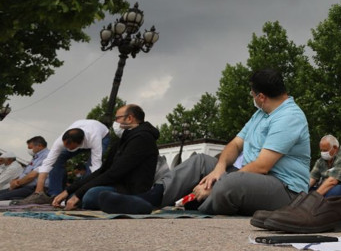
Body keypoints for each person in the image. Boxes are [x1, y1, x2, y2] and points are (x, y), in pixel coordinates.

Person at [97, 68, 311, 216]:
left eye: (253, 94)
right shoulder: (261, 114)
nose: (252, 97)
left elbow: (263, 166)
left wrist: (218, 184)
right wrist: (218, 169)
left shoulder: (288, 117)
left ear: (262, 96)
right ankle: (150, 199)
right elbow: (235, 144)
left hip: (284, 189)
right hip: (251, 176)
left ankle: (197, 202)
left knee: (231, 183)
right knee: (200, 161)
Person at [51, 104, 159, 210]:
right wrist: (68, 191)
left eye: (117, 118)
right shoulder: (123, 140)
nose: (115, 122)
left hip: (130, 189)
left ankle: (138, 204)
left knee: (91, 195)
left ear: (130, 118)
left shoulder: (142, 138)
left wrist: (79, 194)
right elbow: (103, 170)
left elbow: (115, 173)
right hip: (116, 186)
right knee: (74, 195)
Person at [19, 119, 110, 204]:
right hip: (82, 133)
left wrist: (79, 194)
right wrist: (38, 191)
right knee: (57, 160)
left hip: (103, 135)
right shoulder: (60, 141)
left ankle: (83, 196)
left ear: (79, 144)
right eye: (65, 146)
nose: (67, 148)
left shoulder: (95, 139)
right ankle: (55, 195)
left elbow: (95, 166)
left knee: (90, 166)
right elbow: (47, 163)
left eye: (70, 147)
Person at [307, 135, 341, 210]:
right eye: (321, 150)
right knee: (307, 190)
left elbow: (332, 181)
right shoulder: (320, 161)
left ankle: (317, 204)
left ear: (335, 148)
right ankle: (318, 204)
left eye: (325, 150)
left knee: (338, 189)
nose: (323, 153)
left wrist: (314, 197)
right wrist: (303, 192)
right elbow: (311, 179)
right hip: (327, 193)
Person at [0, 136, 49, 201]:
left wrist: (17, 183)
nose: (29, 150)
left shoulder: (46, 156)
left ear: (39, 146)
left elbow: (32, 176)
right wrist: (16, 181)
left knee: (2, 197)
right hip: (24, 185)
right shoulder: (36, 157)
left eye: (30, 148)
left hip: (33, 188)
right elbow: (26, 173)